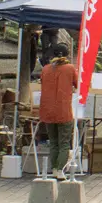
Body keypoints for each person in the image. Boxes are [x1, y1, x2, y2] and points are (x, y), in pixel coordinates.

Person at [39, 43, 78, 179]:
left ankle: (54, 169)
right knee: (64, 142)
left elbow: (42, 83)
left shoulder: (45, 69)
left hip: (47, 110)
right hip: (63, 111)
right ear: (66, 56)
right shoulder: (70, 68)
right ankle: (60, 170)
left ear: (53, 55)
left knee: (53, 142)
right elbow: (77, 84)